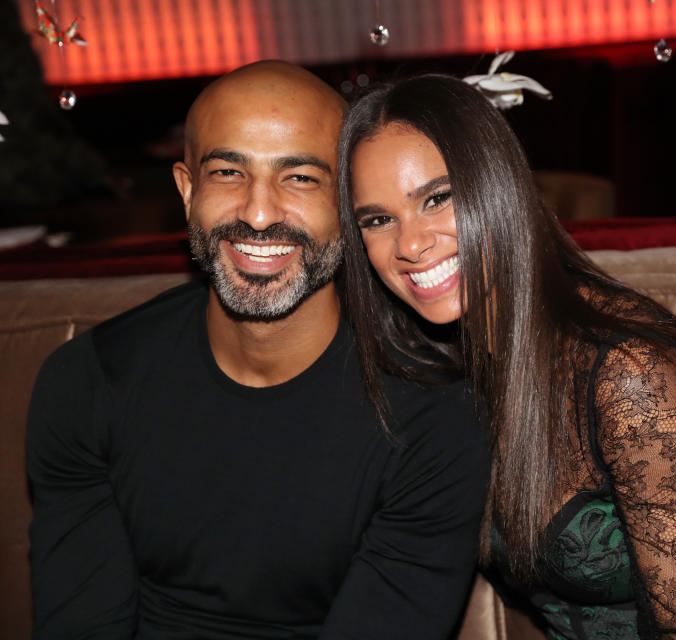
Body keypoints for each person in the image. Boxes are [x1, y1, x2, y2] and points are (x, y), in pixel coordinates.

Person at [336, 74, 676, 640]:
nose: (410, 244)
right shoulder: (438, 362)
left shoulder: (630, 372)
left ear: (499, 187)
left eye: (437, 198)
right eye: (377, 219)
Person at [25, 62, 489, 639]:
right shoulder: (87, 383)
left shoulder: (437, 413)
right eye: (227, 172)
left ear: (345, 203)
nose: (259, 213)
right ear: (187, 190)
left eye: (300, 178)